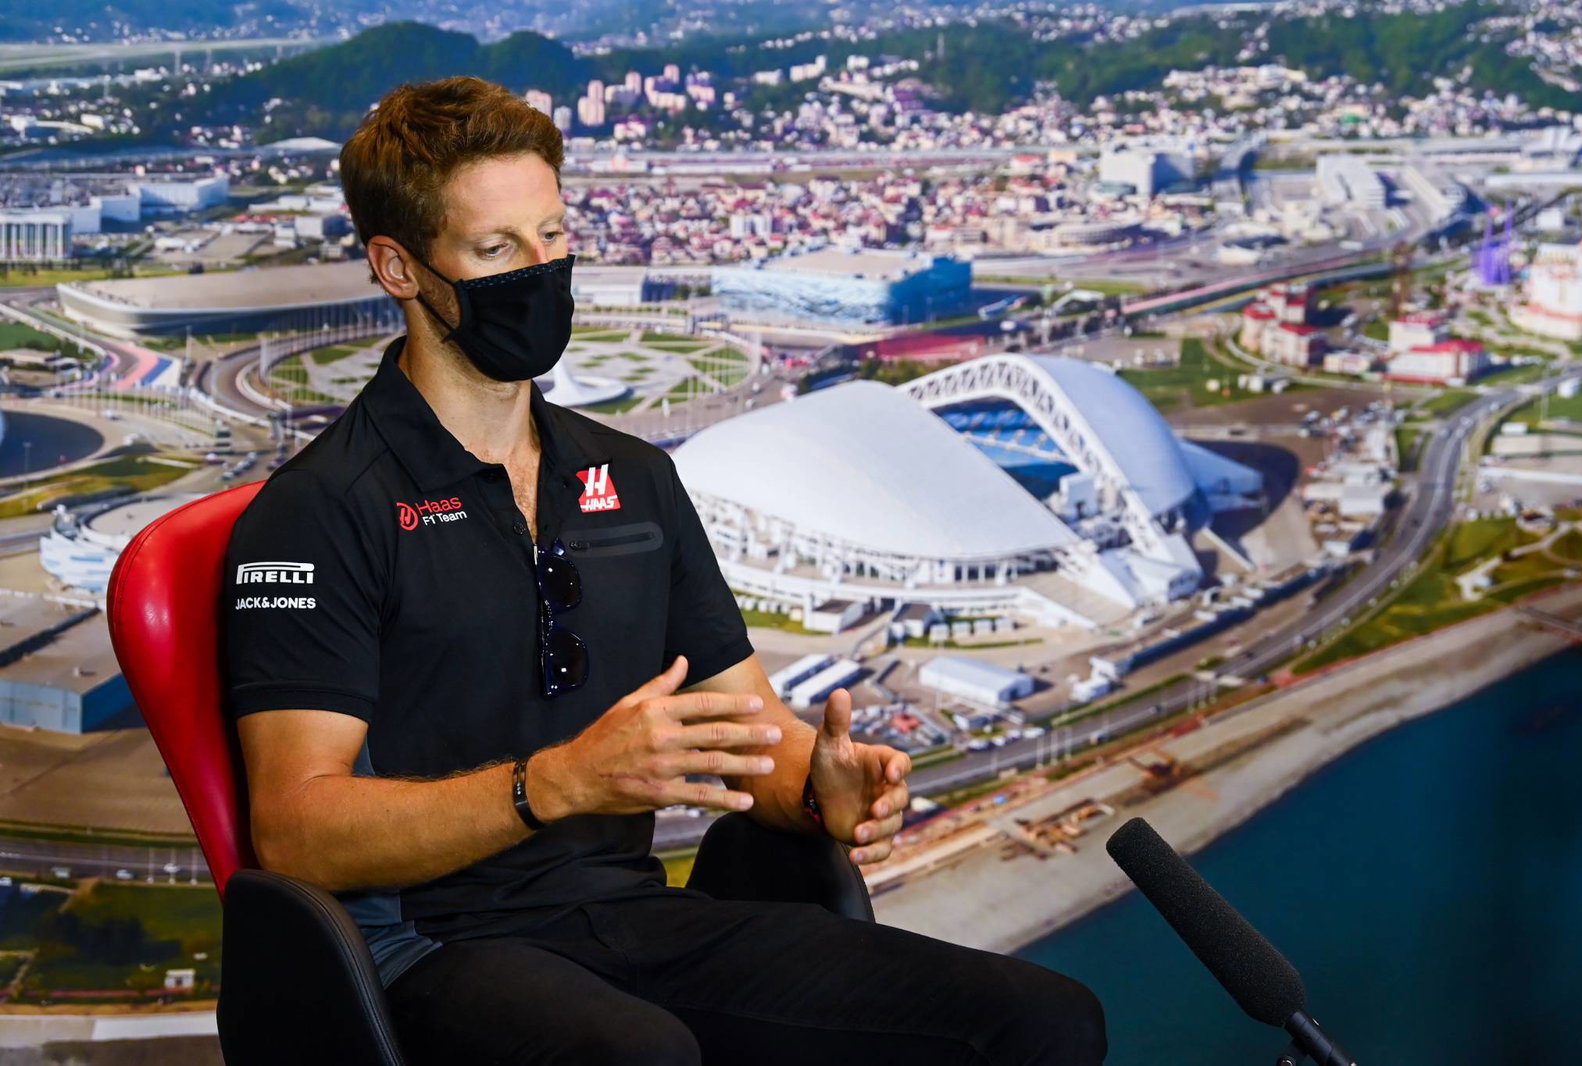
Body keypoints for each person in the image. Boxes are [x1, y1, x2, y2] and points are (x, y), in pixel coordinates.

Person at [223, 75, 1107, 1066]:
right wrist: (553, 783)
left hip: (634, 921)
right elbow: (297, 831)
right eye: (495, 248)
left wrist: (818, 788)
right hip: (438, 952)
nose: (541, 269)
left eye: (552, 236)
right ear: (398, 268)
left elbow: (751, 734)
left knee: (1045, 1020)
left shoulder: (632, 478)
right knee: (644, 1058)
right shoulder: (316, 513)